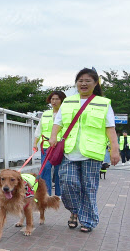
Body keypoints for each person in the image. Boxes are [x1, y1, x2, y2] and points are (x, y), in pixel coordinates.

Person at [48, 68, 119, 233]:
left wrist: (114, 149)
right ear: (76, 83)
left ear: (95, 83)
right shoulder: (68, 102)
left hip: (92, 153)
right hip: (69, 151)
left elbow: (110, 129)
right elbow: (58, 122)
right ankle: (75, 210)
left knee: (89, 187)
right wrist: (53, 136)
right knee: (67, 183)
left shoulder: (103, 103)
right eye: (80, 80)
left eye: (88, 80)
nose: (83, 83)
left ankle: (87, 220)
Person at [34, 91, 64, 195]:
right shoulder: (45, 114)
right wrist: (35, 143)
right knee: (45, 169)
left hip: (59, 147)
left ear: (62, 100)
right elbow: (39, 129)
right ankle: (46, 194)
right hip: (46, 147)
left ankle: (59, 194)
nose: (54, 101)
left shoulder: (65, 114)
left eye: (57, 99)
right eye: (52, 99)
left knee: (58, 171)